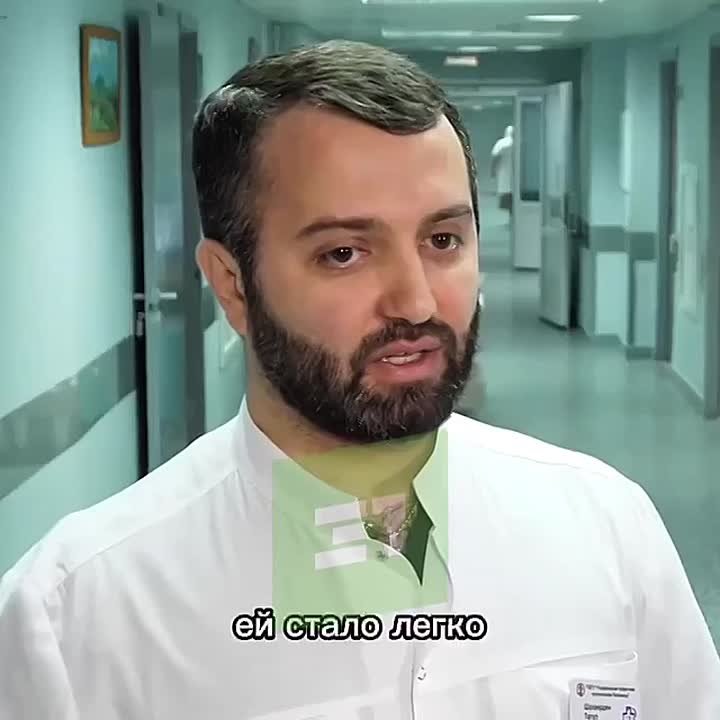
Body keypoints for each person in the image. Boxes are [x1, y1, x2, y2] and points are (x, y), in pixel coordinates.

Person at [1, 40, 718, 720]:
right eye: (344, 253)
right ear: (232, 285)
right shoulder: (76, 616)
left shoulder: (604, 526)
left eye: (443, 240)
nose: (416, 303)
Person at [490, 125, 514, 217]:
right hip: (516, 177)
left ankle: (511, 216)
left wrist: (493, 171)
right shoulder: (517, 142)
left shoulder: (501, 143)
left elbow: (494, 157)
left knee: (506, 195)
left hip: (504, 175)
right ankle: (513, 217)